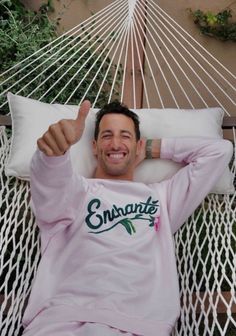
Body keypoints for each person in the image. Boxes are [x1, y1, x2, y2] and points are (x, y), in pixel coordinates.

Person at [22, 100, 232, 336]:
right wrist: (53, 154)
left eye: (125, 136)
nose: (115, 144)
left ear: (138, 144)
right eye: (106, 136)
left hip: (138, 326)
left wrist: (152, 149)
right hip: (62, 321)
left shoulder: (162, 198)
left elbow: (219, 151)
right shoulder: (75, 191)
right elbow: (51, 181)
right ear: (94, 146)